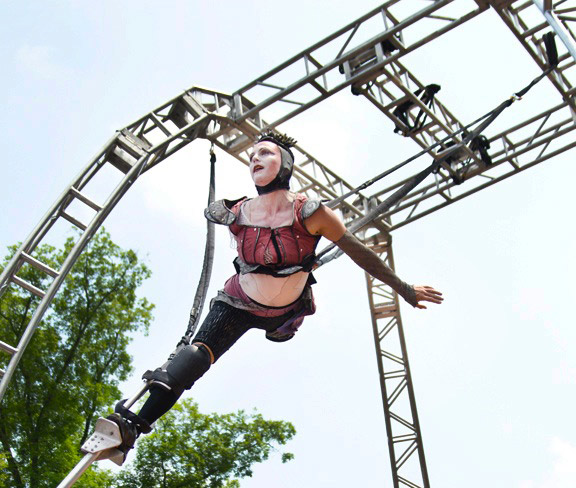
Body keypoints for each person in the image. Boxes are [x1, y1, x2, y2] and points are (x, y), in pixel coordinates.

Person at [108, 130, 443, 458]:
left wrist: (404, 289)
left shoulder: (309, 212)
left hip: (284, 310)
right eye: (252, 156)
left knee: (267, 329)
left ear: (285, 163)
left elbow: (359, 252)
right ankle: (132, 427)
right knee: (194, 358)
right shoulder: (237, 212)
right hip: (237, 302)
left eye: (265, 153)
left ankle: (283, 327)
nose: (255, 159)